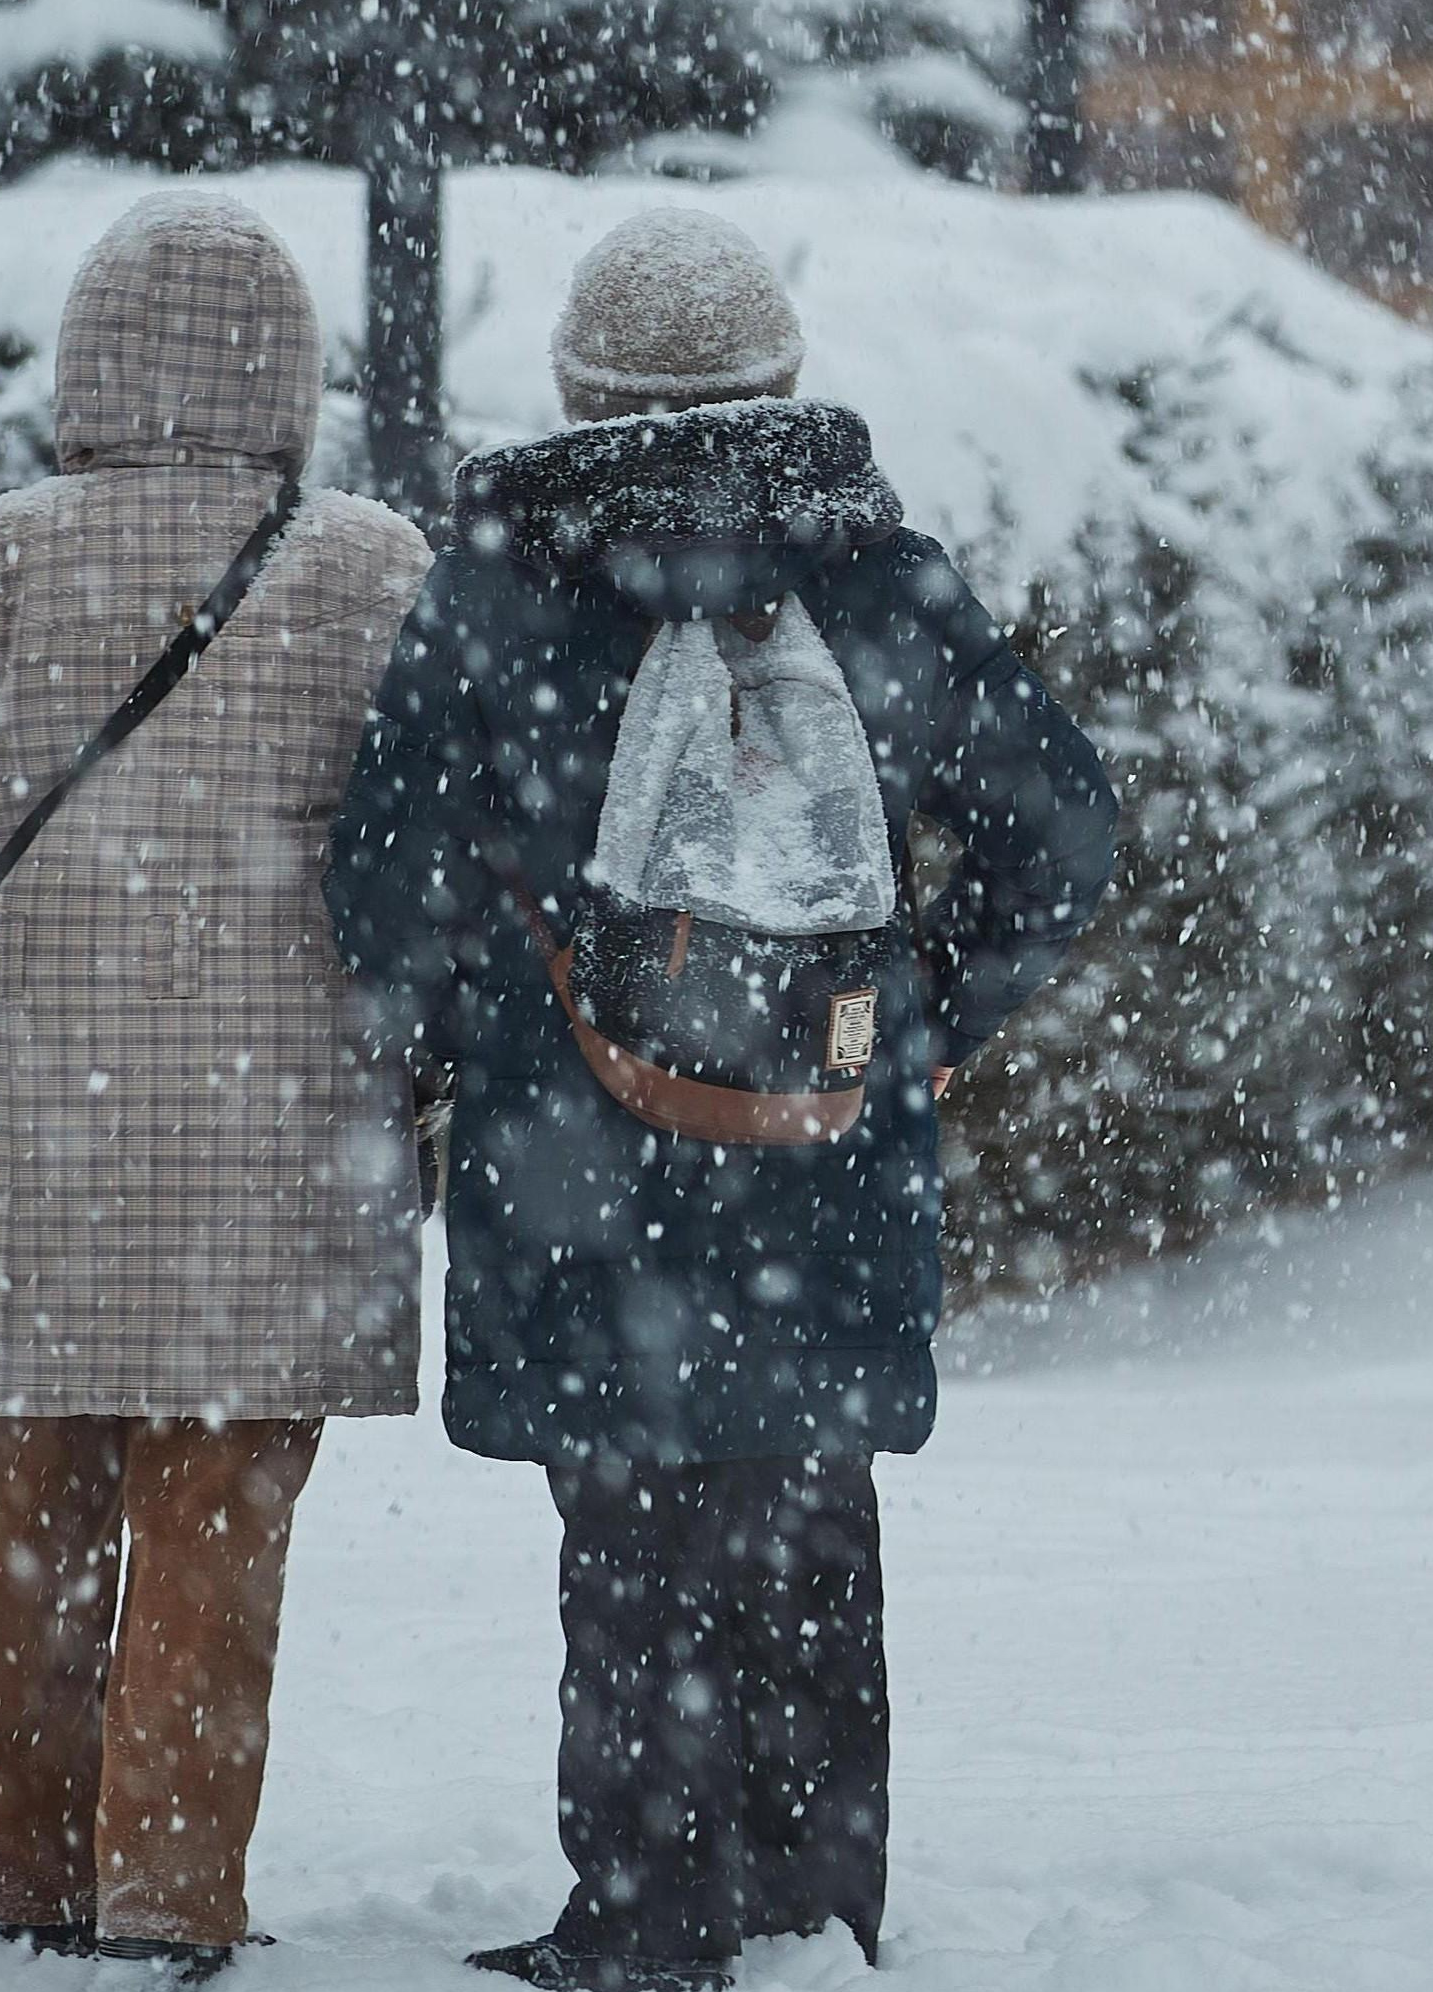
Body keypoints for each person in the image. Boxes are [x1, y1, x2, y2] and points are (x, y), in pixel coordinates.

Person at [330, 207, 1118, 1992]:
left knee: (632, 1528)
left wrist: (487, 1021)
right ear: (778, 373)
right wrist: (919, 1008)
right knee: (814, 1509)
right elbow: (1064, 835)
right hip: (824, 1148)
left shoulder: (505, 588)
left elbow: (384, 887)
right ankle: (815, 1903)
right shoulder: (874, 576)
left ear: (579, 385)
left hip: (581, 1153)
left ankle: (649, 1912)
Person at [0, 193, 433, 1982]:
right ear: (289, 372)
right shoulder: (367, 569)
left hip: (25, 1146)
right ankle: (166, 1894)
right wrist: (439, 1084)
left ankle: (14, 1874)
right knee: (216, 1544)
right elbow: (428, 854)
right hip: (270, 1155)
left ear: (87, 366)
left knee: (29, 1522)